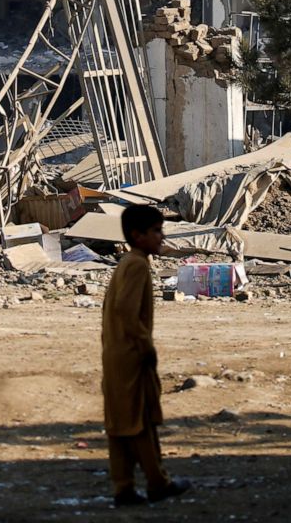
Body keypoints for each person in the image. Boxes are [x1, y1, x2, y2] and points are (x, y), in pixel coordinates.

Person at [101, 204, 191, 507]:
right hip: (132, 352)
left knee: (119, 423)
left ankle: (123, 487)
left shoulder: (126, 262)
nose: (161, 237)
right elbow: (126, 310)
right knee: (141, 421)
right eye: (155, 231)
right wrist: (145, 346)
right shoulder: (138, 264)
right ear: (138, 236)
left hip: (115, 353)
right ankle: (157, 482)